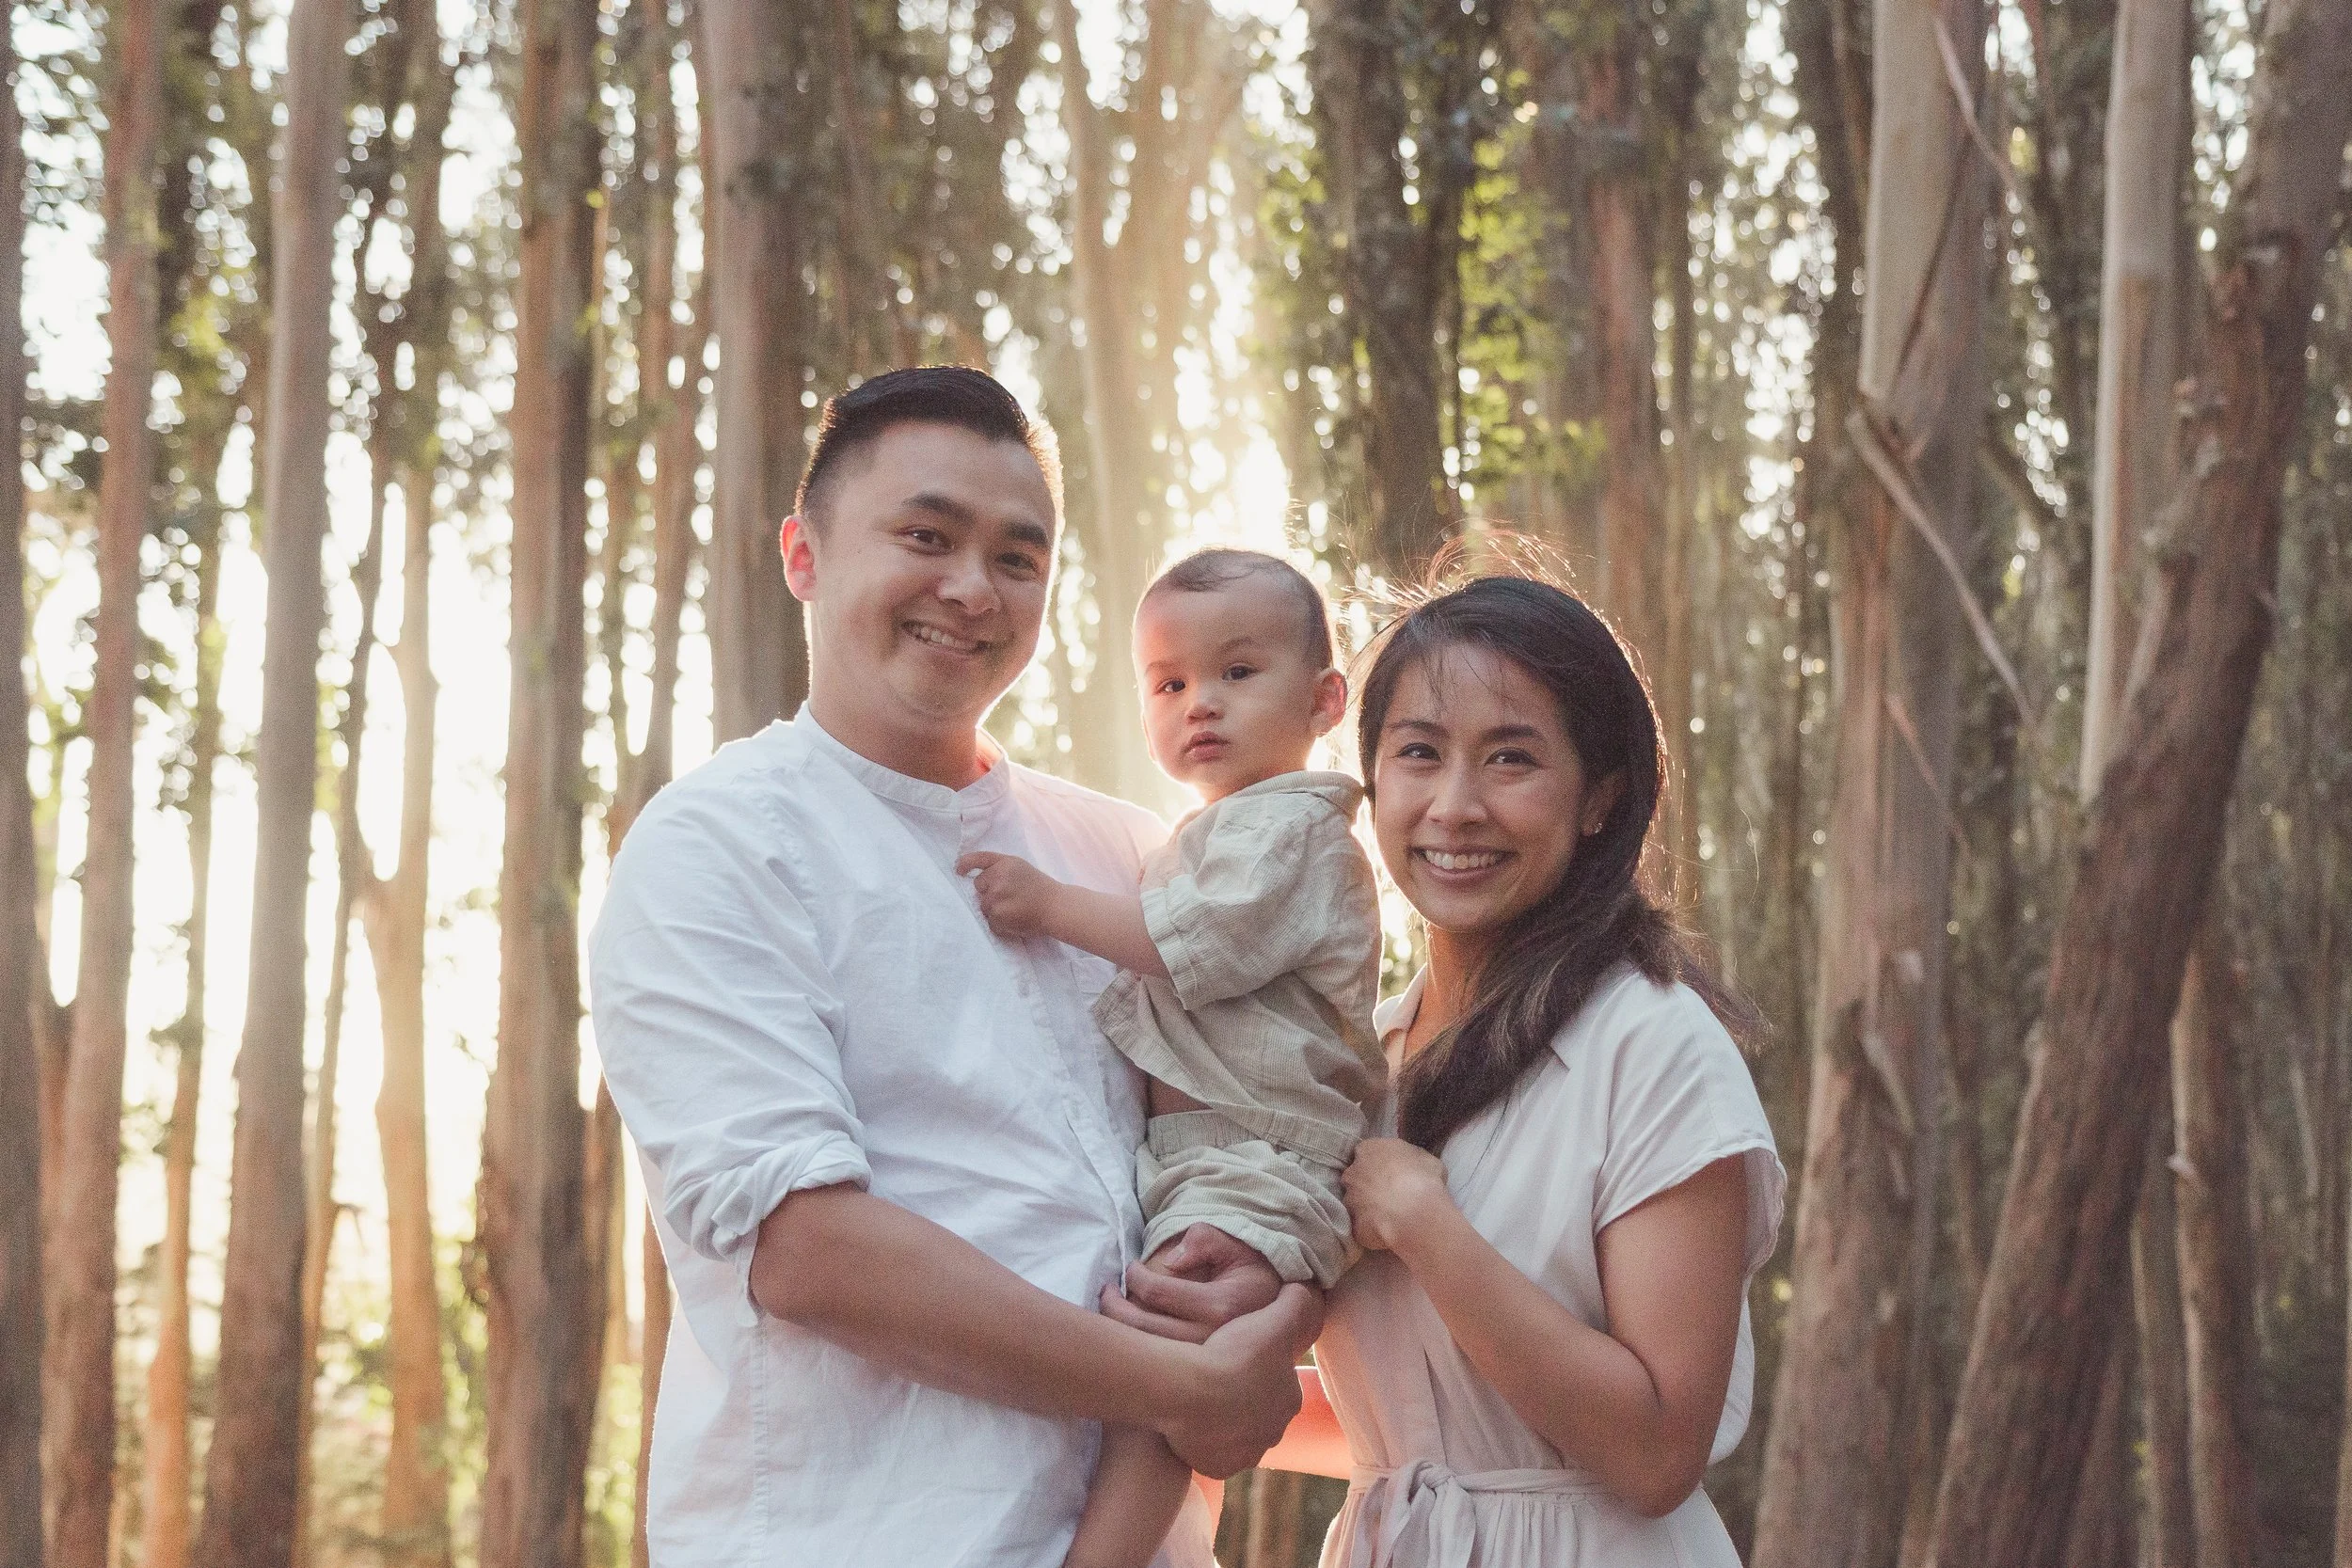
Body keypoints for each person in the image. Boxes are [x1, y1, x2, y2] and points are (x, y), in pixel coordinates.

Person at [589, 367, 1317, 1568]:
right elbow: (810, 1252)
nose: (971, 589)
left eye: (1018, 558)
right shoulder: (716, 842)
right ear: (803, 553)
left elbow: (1254, 1149)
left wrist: (1279, 1315)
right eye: (926, 536)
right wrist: (1187, 1385)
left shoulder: (1132, 854)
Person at [1221, 571, 1788, 1566]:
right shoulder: (1351, 1054)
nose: (1454, 805)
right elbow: (1431, 1421)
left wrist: (1427, 1225)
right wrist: (1189, 1390)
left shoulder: (1652, 1048)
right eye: (1418, 754)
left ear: (1600, 796)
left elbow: (1657, 1450)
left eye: (1510, 759)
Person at [959, 548, 1387, 1568]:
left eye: (1239, 673)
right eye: (1170, 682)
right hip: (1206, 1155)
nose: (1201, 702)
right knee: (1169, 1355)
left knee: (1172, 1363)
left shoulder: (1292, 830)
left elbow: (1198, 942)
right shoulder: (1214, 829)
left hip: (1257, 1150)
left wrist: (1050, 903)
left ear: (1325, 697)